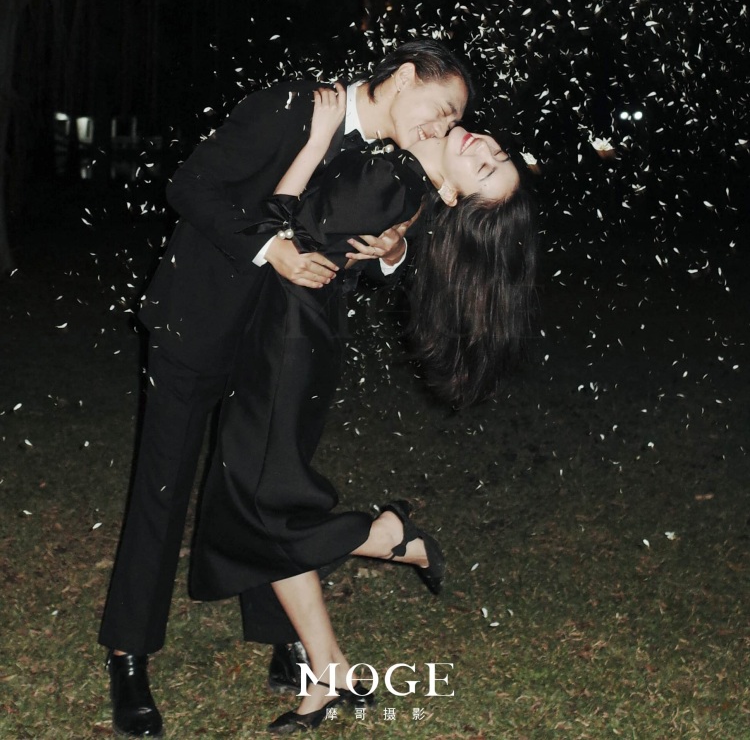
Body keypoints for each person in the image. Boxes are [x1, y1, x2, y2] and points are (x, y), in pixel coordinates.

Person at [99, 40, 473, 738]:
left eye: (453, 121)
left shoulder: (388, 158)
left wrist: (392, 252)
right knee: (162, 487)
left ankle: (282, 639)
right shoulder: (296, 104)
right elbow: (190, 186)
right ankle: (129, 655)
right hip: (199, 321)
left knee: (262, 486)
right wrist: (270, 249)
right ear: (401, 77)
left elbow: (341, 246)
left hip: (278, 349)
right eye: (443, 107)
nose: (444, 127)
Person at [189, 87, 537, 733]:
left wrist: (317, 140)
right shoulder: (407, 179)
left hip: (286, 347)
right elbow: (352, 240)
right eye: (498, 154)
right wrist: (396, 242)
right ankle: (330, 670)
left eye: (486, 167)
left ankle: (386, 536)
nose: (484, 147)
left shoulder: (394, 178)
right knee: (262, 504)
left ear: (455, 195)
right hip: (295, 340)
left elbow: (280, 223)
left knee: (260, 507)